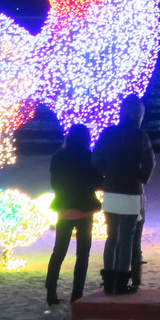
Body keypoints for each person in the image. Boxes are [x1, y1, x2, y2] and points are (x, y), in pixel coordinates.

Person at [93, 94, 154, 295]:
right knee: (127, 237)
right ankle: (121, 282)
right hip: (131, 190)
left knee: (112, 236)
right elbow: (149, 162)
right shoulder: (140, 136)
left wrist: (107, 173)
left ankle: (108, 281)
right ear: (139, 114)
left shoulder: (108, 132)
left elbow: (96, 158)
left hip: (111, 188)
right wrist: (140, 177)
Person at [46, 123, 104, 306]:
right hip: (85, 209)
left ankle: (51, 291)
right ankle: (77, 294)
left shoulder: (58, 157)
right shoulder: (89, 157)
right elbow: (98, 182)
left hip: (64, 208)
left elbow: (54, 184)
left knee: (58, 252)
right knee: (83, 255)